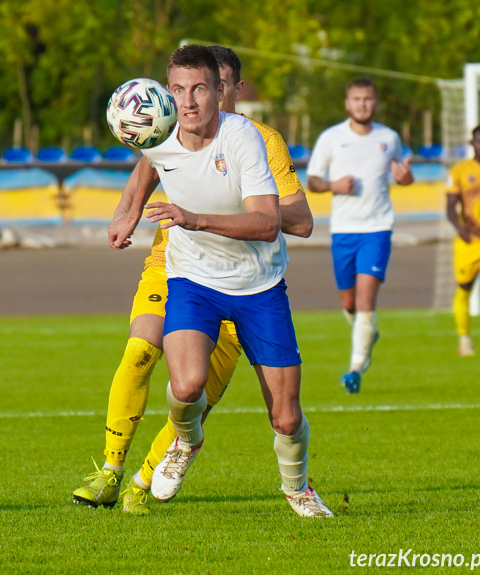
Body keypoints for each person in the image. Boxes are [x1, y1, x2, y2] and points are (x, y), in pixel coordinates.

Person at [73, 44, 331, 517]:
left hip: (256, 282)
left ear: (226, 90)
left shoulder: (253, 139)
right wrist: (126, 213)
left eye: (203, 89)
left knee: (284, 414)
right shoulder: (162, 127)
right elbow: (150, 163)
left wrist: (201, 216)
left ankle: (296, 489)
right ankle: (123, 466)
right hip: (187, 273)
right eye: (179, 90)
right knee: (166, 369)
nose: (190, 101)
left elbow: (282, 222)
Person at [306, 77, 414, 393]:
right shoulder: (331, 138)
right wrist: (333, 186)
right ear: (347, 103)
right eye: (357, 99)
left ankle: (354, 369)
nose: (363, 104)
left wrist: (407, 178)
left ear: (375, 103)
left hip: (377, 229)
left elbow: (403, 176)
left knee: (366, 300)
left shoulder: (389, 138)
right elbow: (313, 180)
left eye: (368, 99)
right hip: (343, 230)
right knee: (349, 302)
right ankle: (367, 334)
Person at [445, 125, 480, 356]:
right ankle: (464, 339)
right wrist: (460, 228)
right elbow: (450, 207)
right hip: (469, 241)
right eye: (479, 141)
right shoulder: (460, 170)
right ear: (472, 143)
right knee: (465, 288)